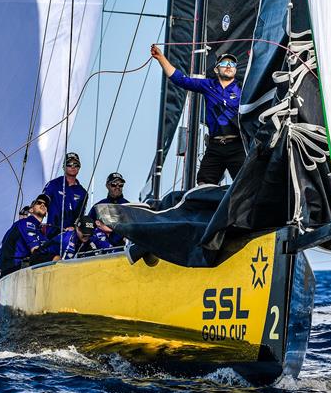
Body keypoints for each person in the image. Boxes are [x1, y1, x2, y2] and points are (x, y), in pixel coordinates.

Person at [151, 44, 246, 185]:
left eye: (232, 64)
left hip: (237, 146)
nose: (228, 66)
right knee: (203, 185)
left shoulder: (243, 87)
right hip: (215, 146)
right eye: (224, 63)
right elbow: (180, 80)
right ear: (216, 69)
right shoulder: (208, 85)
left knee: (245, 185)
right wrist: (160, 58)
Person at [0, 194, 59, 278]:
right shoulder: (26, 223)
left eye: (45, 205)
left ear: (46, 213)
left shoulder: (39, 232)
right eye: (39, 203)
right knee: (56, 258)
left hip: (13, 271)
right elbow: (36, 251)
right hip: (14, 270)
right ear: (31, 210)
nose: (43, 205)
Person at [42, 152, 88, 235]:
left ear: (79, 167)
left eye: (76, 164)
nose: (73, 167)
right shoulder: (54, 184)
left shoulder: (83, 192)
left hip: (70, 235)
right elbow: (42, 203)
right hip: (52, 232)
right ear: (63, 167)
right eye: (69, 164)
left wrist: (74, 227)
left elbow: (80, 215)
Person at [88, 172, 129, 247]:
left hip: (123, 247)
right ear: (107, 185)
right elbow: (88, 225)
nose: (117, 187)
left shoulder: (128, 206)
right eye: (113, 184)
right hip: (102, 247)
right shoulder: (98, 206)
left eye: (120, 185)